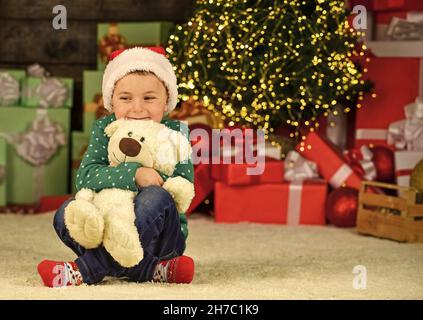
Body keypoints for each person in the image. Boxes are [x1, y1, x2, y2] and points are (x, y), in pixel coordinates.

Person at [37, 47, 195, 287]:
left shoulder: (176, 133)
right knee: (67, 212)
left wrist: (151, 178)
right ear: (111, 101)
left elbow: (183, 189)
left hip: (160, 240)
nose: (137, 108)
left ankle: (87, 269)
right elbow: (86, 177)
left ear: (167, 101)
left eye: (149, 98)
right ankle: (147, 270)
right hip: (108, 228)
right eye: (125, 98)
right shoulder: (105, 128)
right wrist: (134, 174)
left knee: (155, 197)